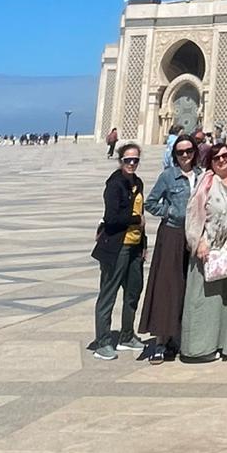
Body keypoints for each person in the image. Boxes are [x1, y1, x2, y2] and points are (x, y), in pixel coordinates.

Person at [181, 141, 227, 361]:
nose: (222, 160)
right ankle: (199, 347)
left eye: (225, 156)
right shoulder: (206, 182)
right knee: (204, 298)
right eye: (216, 157)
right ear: (210, 161)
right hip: (208, 248)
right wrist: (198, 241)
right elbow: (194, 213)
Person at [140, 134, 202, 362]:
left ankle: (180, 336)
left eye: (189, 151)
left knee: (189, 286)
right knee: (167, 286)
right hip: (173, 234)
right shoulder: (168, 176)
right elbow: (150, 203)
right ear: (174, 155)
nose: (185, 155)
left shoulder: (202, 176)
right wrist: (171, 212)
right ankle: (160, 340)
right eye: (180, 152)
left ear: (195, 152)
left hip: (195, 236)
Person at [91, 142, 147, 359]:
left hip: (134, 245)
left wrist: (143, 243)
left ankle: (126, 335)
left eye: (135, 160)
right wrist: (136, 220)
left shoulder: (137, 183)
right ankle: (102, 341)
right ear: (120, 161)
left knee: (133, 290)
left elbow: (141, 217)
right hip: (116, 246)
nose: (132, 163)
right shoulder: (114, 185)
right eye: (127, 160)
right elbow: (112, 218)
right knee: (108, 293)